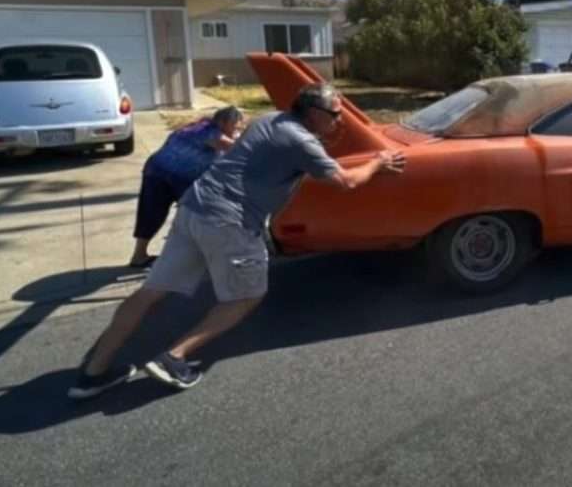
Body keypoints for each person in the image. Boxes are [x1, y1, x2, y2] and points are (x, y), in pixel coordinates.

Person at [68, 83, 406, 399]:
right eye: (335, 113)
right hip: (230, 221)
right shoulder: (301, 141)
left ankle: (93, 373)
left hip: (194, 207)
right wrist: (378, 162)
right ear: (315, 113)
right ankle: (173, 357)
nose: (339, 119)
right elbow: (346, 182)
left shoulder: (270, 119)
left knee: (151, 291)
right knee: (247, 296)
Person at [129, 106, 244, 267]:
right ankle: (198, 254)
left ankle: (139, 255)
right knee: (196, 213)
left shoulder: (199, 125)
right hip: (170, 175)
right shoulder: (211, 132)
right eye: (236, 126)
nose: (238, 130)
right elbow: (233, 147)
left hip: (158, 171)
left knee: (153, 213)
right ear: (223, 122)